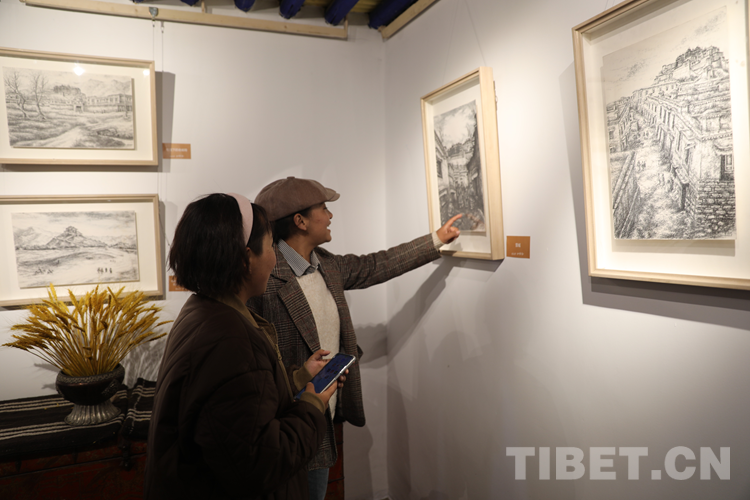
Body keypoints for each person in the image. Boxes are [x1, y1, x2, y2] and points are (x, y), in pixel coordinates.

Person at [248, 177, 461, 500]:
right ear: (300, 221)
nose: (330, 215)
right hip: (286, 422)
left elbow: (377, 265)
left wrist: (435, 240)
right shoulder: (265, 277)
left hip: (323, 414)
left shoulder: (327, 265)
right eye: (323, 208)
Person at [145, 192, 346, 500]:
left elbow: (242, 403)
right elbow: (263, 464)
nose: (275, 259)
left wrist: (298, 378)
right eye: (270, 247)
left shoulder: (203, 310)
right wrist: (312, 404)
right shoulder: (230, 342)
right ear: (245, 258)